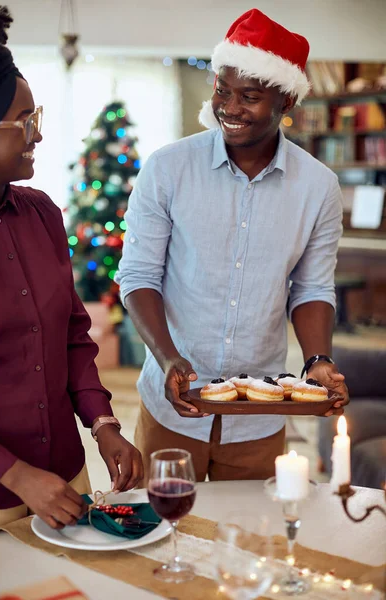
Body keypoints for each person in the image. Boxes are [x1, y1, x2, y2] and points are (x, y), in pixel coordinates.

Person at [116, 8, 349, 485]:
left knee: (246, 546)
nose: (229, 107)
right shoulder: (167, 168)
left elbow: (311, 289)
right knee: (162, 537)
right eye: (222, 89)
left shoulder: (319, 187)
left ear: (286, 101)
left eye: (250, 96)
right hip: (172, 406)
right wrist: (167, 356)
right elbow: (138, 277)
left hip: (259, 416)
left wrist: (318, 360)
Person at [0, 5, 143, 537]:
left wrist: (102, 423)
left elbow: (73, 335)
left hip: (66, 478)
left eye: (38, 118)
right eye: (25, 122)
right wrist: (17, 476)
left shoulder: (43, 213)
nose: (38, 135)